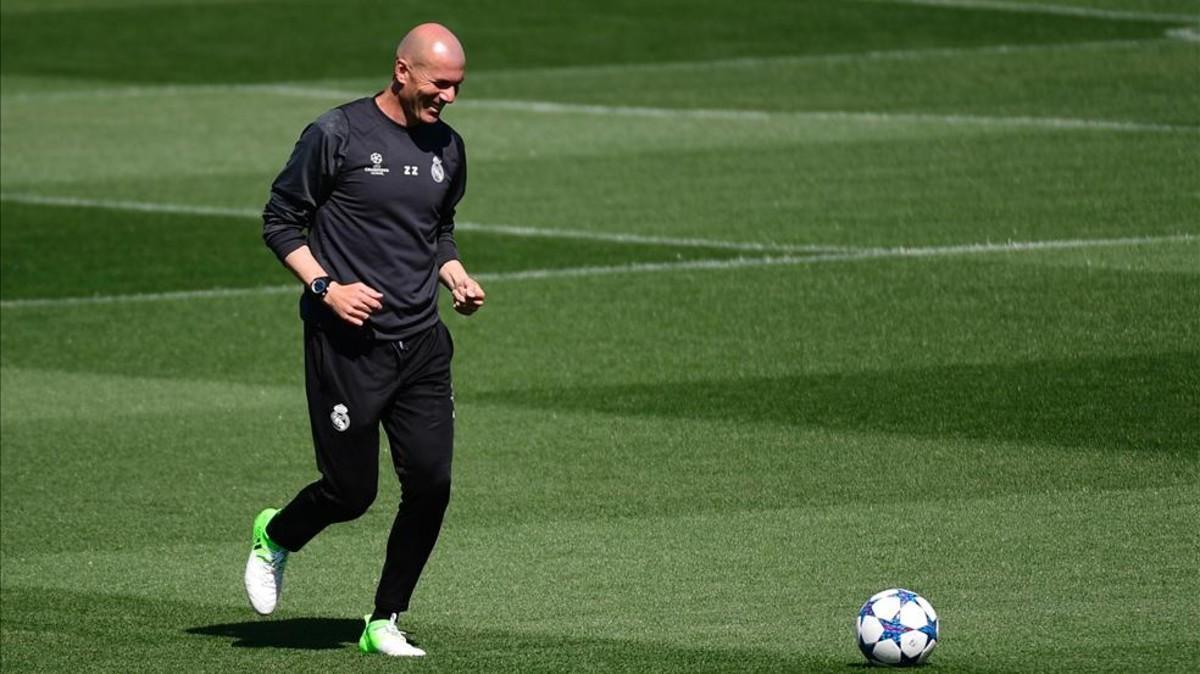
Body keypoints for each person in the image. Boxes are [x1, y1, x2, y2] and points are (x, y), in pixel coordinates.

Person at [244, 23, 484, 658]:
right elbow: (279, 221)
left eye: (459, 86)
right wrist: (327, 287)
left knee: (432, 483)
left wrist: (451, 267)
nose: (450, 98)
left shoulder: (450, 149)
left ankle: (385, 621)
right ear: (402, 71)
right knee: (351, 494)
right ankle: (277, 534)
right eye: (440, 84)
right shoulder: (336, 134)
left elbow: (437, 226)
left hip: (422, 344)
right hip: (347, 345)